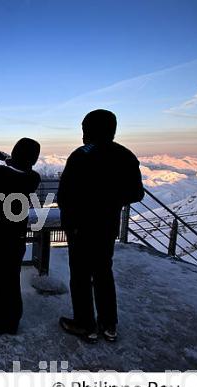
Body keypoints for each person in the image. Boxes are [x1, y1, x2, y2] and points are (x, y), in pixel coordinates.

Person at [57, 109, 144, 343]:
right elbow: (137, 193)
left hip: (80, 228)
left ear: (91, 129)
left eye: (84, 128)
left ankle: (85, 324)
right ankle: (109, 325)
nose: (82, 133)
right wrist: (111, 199)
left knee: (81, 276)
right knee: (104, 272)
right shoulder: (126, 156)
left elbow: (64, 196)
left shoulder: (80, 156)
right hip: (107, 227)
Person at [0, 138, 41, 335]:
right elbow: (22, 169)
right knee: (11, 278)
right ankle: (12, 320)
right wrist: (7, 158)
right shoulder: (33, 178)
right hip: (17, 236)